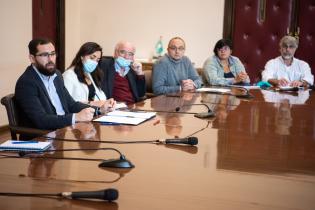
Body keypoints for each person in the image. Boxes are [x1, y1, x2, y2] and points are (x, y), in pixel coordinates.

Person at [15, 38, 95, 136]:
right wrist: (75, 117)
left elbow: (71, 105)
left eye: (53, 54)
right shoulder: (26, 83)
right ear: (32, 58)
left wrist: (98, 109)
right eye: (44, 55)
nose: (50, 59)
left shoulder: (56, 75)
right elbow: (41, 120)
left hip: (63, 131)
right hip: (41, 139)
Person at [63, 42, 115, 110]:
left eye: (97, 60)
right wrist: (93, 103)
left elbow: (100, 97)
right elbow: (67, 103)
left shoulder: (90, 74)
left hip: (94, 114)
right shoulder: (68, 76)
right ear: (81, 56)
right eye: (92, 58)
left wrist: (108, 103)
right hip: (79, 117)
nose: (94, 62)